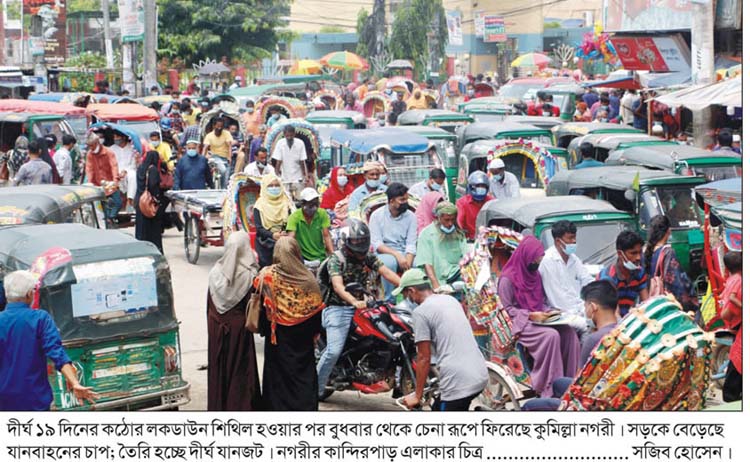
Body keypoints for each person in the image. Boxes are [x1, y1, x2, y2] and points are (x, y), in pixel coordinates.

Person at [316, 219, 401, 399]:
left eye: (361, 241)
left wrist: (407, 286)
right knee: (333, 351)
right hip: (337, 308)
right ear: (347, 242)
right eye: (355, 241)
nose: (359, 245)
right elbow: (338, 286)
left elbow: (386, 272)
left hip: (362, 307)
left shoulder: (368, 256)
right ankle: (313, 389)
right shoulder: (336, 259)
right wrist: (354, 301)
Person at [0, 270, 98, 410]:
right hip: (34, 400)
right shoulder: (40, 319)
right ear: (29, 294)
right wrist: (75, 383)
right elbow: (56, 353)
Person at [496, 236, 581, 398]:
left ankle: (571, 382)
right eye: (536, 259)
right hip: (520, 322)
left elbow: (540, 301)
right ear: (526, 256)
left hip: (539, 318)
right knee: (551, 336)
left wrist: (551, 312)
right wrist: (529, 315)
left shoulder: (535, 275)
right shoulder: (507, 279)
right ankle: (549, 386)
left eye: (540, 259)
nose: (538, 262)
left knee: (568, 332)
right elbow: (507, 309)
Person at [521, 280, 619, 411]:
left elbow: (577, 385)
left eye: (585, 306)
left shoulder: (594, 340)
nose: (585, 310)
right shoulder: (621, 331)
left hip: (589, 402)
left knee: (529, 406)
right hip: (609, 392)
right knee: (558, 383)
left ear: (593, 307)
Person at [398, 269, 489, 411]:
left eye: (405, 294)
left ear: (412, 290)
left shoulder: (420, 313)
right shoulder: (450, 300)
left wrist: (417, 395)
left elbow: (423, 358)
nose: (407, 299)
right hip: (480, 373)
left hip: (458, 381)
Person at [252, 237, 324, 410]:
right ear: (296, 253)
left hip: (277, 341)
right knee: (303, 379)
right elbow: (316, 314)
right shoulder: (308, 280)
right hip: (303, 342)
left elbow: (259, 305)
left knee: (277, 380)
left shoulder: (266, 276)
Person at [207, 232, 261, 411]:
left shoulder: (215, 272)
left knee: (219, 368)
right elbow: (252, 306)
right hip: (239, 331)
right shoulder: (249, 275)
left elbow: (209, 305)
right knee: (239, 371)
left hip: (216, 328)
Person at [538, 220, 594, 333]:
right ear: (558, 241)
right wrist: (582, 315)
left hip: (579, 309)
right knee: (588, 328)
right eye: (570, 238)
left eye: (575, 238)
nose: (574, 241)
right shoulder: (548, 261)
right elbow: (557, 299)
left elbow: (588, 281)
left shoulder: (573, 259)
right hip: (562, 314)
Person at [369, 182, 418, 301]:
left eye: (406, 199)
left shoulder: (411, 216)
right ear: (391, 201)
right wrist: (397, 255)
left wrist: (408, 261)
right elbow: (377, 244)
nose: (405, 202)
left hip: (405, 250)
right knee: (389, 263)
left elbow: (411, 242)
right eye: (402, 200)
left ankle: (416, 298)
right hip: (385, 251)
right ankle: (389, 299)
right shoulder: (377, 216)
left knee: (419, 264)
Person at [643, 216, 699, 312]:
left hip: (652, 304)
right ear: (668, 231)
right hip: (667, 305)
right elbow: (677, 282)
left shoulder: (645, 252)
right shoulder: (667, 252)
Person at [415, 201, 467, 289]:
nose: (450, 224)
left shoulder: (458, 233)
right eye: (447, 220)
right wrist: (436, 286)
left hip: (456, 274)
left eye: (452, 220)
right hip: (436, 278)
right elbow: (427, 264)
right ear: (438, 218)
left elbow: (466, 257)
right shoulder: (426, 234)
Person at [598, 230, 649, 318]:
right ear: (620, 254)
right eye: (633, 253)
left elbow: (646, 304)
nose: (638, 257)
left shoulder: (639, 273)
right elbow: (614, 314)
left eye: (640, 252)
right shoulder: (608, 278)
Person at [253, 173, 294, 268]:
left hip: (284, 238)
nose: (274, 188)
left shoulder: (286, 203)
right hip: (265, 241)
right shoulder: (259, 205)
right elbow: (259, 228)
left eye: (277, 185)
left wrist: (284, 233)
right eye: (270, 186)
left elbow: (290, 223)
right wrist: (272, 235)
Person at [286, 188, 334, 263]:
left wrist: (332, 254)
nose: (314, 207)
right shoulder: (294, 217)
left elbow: (326, 236)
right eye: (310, 204)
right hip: (302, 259)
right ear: (302, 204)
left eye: (315, 204)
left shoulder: (322, 214)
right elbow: (291, 239)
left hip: (320, 257)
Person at [719, 251, 742, 402]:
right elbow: (732, 299)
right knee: (738, 359)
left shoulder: (732, 279)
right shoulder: (739, 280)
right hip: (738, 323)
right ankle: (731, 396)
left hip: (735, 323)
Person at [84, 133, 121, 222]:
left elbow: (114, 166)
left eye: (92, 145)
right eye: (89, 146)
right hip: (98, 183)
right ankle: (107, 220)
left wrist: (115, 180)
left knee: (117, 203)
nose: (91, 148)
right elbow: (89, 169)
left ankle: (111, 217)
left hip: (110, 183)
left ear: (97, 143)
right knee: (103, 205)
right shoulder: (90, 154)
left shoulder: (108, 152)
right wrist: (90, 182)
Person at [135, 151, 164, 253]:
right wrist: (157, 199)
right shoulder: (153, 170)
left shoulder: (140, 168)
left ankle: (140, 250)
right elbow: (152, 186)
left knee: (141, 228)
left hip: (140, 201)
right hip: (148, 202)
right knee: (153, 229)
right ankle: (154, 250)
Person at [272, 125, 309, 199]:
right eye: (287, 135)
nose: (289, 137)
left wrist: (305, 175)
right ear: (284, 134)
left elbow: (302, 161)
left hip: (298, 175)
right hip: (285, 176)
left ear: (294, 134)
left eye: (291, 135)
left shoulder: (300, 143)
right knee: (286, 199)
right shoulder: (280, 143)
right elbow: (278, 161)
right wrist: (276, 175)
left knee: (299, 198)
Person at [456, 171, 493, 240]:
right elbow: (459, 223)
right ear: (471, 187)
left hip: (489, 239)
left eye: (483, 186)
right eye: (478, 186)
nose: (481, 188)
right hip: (470, 240)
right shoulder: (462, 203)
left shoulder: (491, 202)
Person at [110, 132, 138, 208]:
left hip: (129, 171)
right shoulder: (112, 149)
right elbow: (111, 163)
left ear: (123, 137)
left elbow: (133, 164)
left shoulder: (132, 148)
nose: (115, 139)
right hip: (116, 171)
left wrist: (125, 171)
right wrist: (117, 172)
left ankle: (130, 199)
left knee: (133, 175)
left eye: (117, 137)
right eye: (114, 137)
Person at [202, 118, 233, 188]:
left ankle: (224, 189)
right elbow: (205, 147)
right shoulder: (209, 136)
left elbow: (229, 146)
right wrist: (202, 158)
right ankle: (220, 189)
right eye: (218, 126)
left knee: (227, 177)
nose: (219, 128)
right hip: (215, 157)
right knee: (223, 170)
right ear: (214, 126)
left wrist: (229, 157)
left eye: (221, 126)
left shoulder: (226, 133)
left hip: (225, 157)